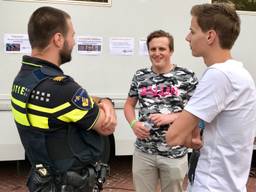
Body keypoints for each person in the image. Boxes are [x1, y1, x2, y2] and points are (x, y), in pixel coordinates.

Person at [11, 6, 116, 192]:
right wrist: (107, 102)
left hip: (41, 181)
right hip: (68, 184)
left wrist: (99, 101)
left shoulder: (24, 78)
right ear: (58, 39)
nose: (74, 42)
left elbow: (68, 104)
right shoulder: (62, 88)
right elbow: (107, 126)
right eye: (72, 35)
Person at [166, 2, 256, 192]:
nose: (187, 37)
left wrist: (186, 135)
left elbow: (173, 136)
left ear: (210, 36)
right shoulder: (241, 74)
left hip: (211, 185)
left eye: (192, 31)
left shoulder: (218, 75)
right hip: (230, 184)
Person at [124, 30, 198, 192]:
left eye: (162, 49)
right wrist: (134, 124)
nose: (157, 53)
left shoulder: (187, 76)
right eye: (153, 49)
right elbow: (129, 105)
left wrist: (170, 117)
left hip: (174, 153)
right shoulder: (140, 76)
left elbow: (198, 112)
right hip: (144, 152)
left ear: (170, 51)